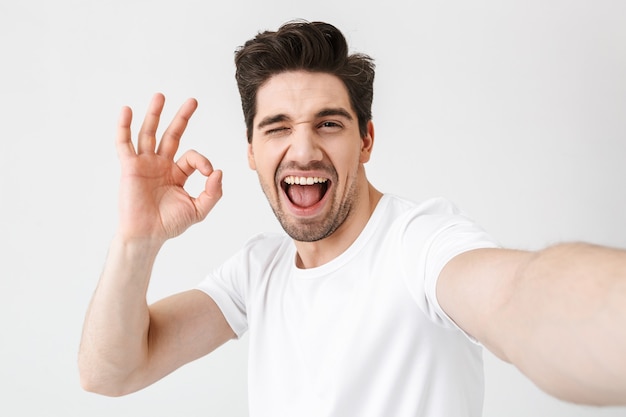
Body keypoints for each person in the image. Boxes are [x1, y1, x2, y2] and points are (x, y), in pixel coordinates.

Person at [78, 20, 626, 416]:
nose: (302, 150)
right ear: (251, 151)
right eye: (277, 128)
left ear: (366, 139)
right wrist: (136, 241)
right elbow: (112, 371)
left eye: (329, 123)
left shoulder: (420, 245)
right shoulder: (258, 271)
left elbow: (518, 297)